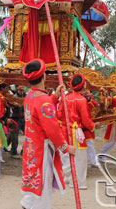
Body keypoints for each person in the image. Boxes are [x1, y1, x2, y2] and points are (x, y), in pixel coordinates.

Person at [20, 59, 75, 209]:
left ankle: (28, 203)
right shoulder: (43, 100)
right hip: (41, 149)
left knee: (36, 179)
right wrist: (65, 147)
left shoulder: (30, 96)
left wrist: (54, 97)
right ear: (43, 76)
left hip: (31, 146)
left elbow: (40, 110)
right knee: (43, 184)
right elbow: (52, 129)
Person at [58, 74, 101, 190]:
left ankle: (69, 177)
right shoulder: (82, 100)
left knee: (66, 155)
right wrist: (94, 125)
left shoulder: (64, 98)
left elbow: (59, 115)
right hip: (76, 132)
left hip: (64, 130)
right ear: (84, 86)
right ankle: (78, 182)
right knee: (80, 157)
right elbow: (86, 120)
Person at [83, 90, 100, 167]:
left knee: (90, 143)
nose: (86, 93)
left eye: (88, 92)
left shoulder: (94, 103)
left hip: (89, 126)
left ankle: (93, 161)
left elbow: (99, 109)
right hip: (82, 126)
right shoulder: (81, 102)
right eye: (85, 92)